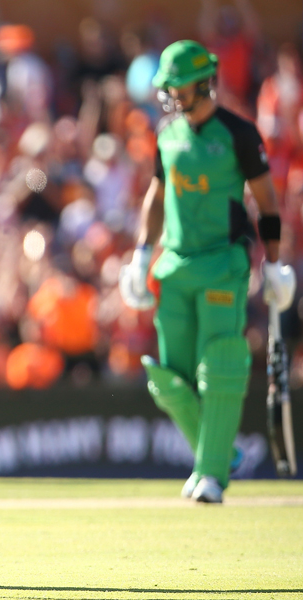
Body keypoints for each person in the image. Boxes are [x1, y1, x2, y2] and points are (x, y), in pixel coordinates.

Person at [120, 40, 296, 503]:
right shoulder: (166, 134)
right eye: (168, 87)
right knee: (167, 377)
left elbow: (267, 200)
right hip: (175, 264)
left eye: (178, 86)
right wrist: (141, 254)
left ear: (203, 83)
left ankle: (211, 474)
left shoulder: (238, 133)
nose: (171, 95)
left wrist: (275, 263)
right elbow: (156, 197)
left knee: (220, 364)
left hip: (224, 263)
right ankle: (221, 451)